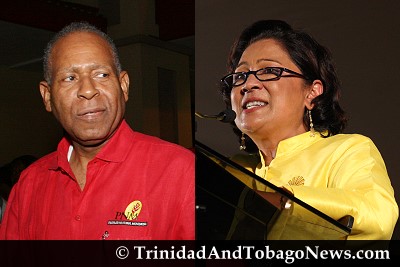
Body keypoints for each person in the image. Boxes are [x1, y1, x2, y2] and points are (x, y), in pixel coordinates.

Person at [0, 21, 195, 240]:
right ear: (47, 97)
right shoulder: (29, 185)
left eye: (101, 75)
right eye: (70, 78)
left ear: (124, 86)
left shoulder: (181, 172)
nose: (88, 90)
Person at [218, 20, 398, 240]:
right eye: (240, 76)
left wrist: (281, 203)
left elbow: (378, 215)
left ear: (312, 92)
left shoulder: (346, 150)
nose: (248, 84)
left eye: (269, 71)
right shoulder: (228, 169)